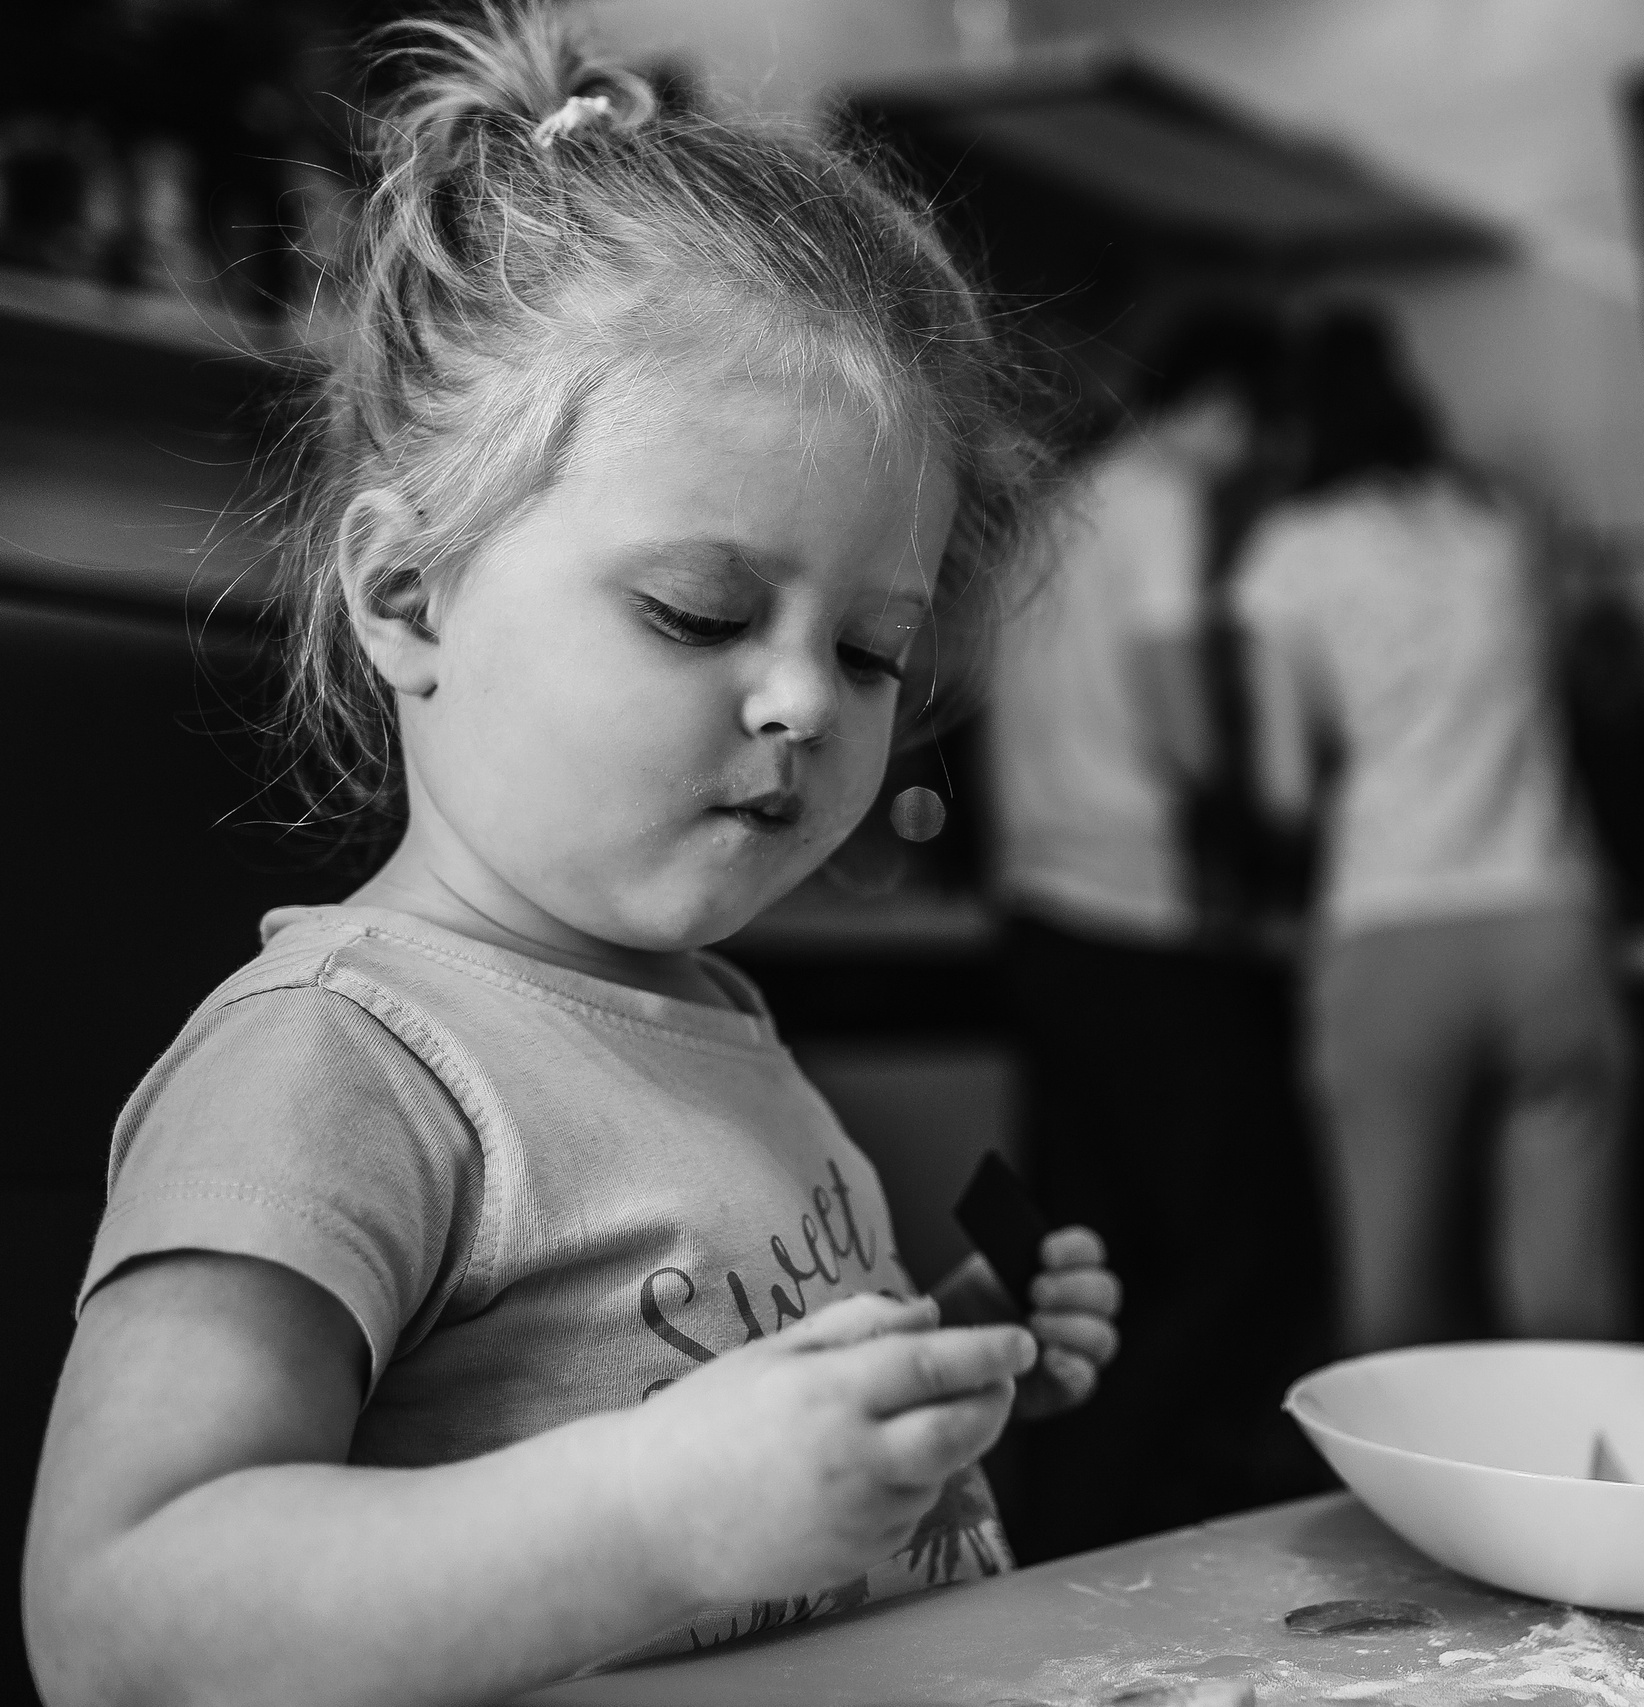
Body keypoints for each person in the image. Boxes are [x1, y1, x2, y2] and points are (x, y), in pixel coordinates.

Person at [22, 12, 1120, 1703]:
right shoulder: (338, 1056)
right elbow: (116, 1618)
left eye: (874, 653)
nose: (800, 701)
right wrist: (666, 1517)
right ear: (408, 596)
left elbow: (708, 1402)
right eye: (703, 611)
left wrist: (938, 1371)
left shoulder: (717, 1023)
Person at [986, 305, 1332, 1558]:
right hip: (1144, 919)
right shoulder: (1165, 494)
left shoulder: (1063, 499)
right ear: (1232, 411)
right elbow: (1184, 713)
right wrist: (1270, 840)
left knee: (1090, 1255)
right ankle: (1164, 1511)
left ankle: (1074, 1531)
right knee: (1249, 1248)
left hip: (1040, 916)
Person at [1234, 307, 1631, 1355]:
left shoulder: (1289, 553)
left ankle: (1424, 1516)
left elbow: (1280, 785)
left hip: (1394, 927)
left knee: (1396, 1309)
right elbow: (1566, 691)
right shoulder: (1500, 526)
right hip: (1549, 919)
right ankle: (1583, 1508)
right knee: (1565, 1306)